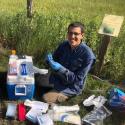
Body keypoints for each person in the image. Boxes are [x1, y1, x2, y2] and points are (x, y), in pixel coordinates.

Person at [41, 22, 96, 104]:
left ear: (82, 35)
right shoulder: (64, 45)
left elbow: (77, 79)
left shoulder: (88, 55)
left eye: (76, 34)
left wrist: (60, 68)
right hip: (57, 78)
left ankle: (61, 94)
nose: (72, 37)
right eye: (70, 33)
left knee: (46, 99)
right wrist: (49, 60)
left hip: (71, 87)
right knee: (33, 80)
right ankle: (50, 87)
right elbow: (53, 60)